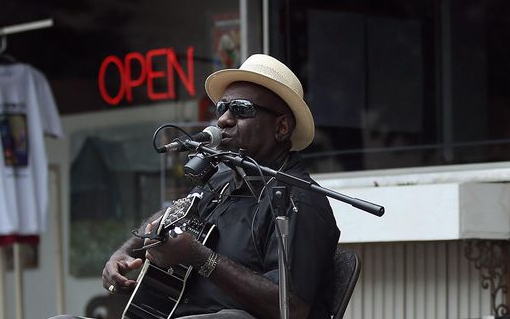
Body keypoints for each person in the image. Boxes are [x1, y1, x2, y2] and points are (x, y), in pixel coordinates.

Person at [100, 54, 339, 319]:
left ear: (281, 127)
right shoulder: (220, 183)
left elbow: (291, 308)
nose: (223, 119)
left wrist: (200, 257)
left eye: (241, 109)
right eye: (222, 108)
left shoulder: (297, 201)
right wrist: (124, 252)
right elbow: (170, 217)